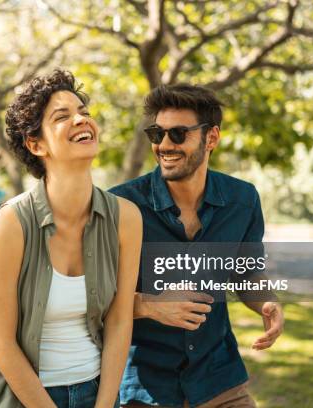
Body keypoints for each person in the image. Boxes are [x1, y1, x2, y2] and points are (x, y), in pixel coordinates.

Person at [0, 70, 142, 408]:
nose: (80, 120)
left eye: (83, 112)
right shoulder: (10, 224)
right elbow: (0, 343)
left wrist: (104, 405)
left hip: (95, 392)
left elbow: (119, 320)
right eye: (62, 116)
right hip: (19, 397)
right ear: (36, 144)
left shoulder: (126, 218)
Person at [110, 84, 284, 408]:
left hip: (220, 381)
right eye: (156, 133)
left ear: (212, 138)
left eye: (177, 134)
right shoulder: (120, 205)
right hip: (145, 390)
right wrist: (149, 305)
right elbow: (91, 299)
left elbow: (245, 276)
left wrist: (267, 303)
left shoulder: (243, 200)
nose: (163, 145)